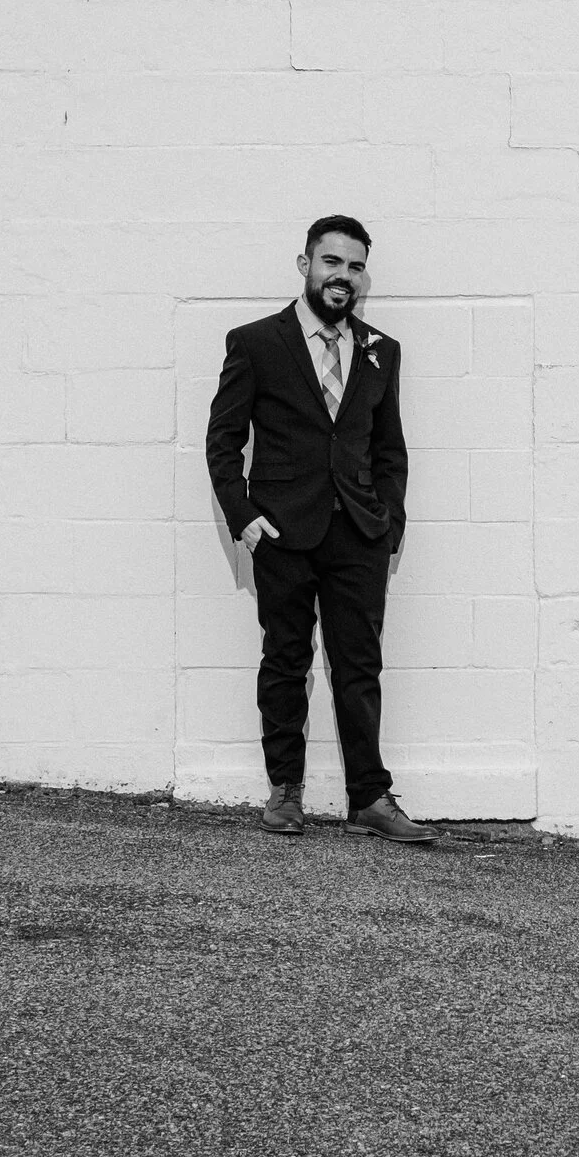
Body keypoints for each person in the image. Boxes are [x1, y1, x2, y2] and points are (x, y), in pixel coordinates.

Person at [204, 215, 433, 844]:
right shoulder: (255, 342)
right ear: (305, 265)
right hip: (281, 530)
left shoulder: (381, 350)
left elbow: (391, 450)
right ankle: (286, 791)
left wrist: (389, 526)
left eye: (356, 266)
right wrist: (244, 517)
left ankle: (370, 797)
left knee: (359, 665)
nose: (344, 276)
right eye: (332, 262)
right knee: (286, 659)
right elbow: (223, 442)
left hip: (359, 533)